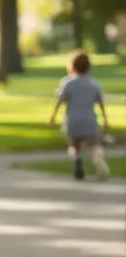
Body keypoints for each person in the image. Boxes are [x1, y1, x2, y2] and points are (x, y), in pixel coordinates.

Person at [48, 49, 112, 180]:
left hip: (73, 121)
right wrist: (105, 121)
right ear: (89, 67)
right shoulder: (94, 84)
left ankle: (77, 159)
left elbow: (60, 101)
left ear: (71, 66)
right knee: (94, 145)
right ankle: (98, 158)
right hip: (90, 121)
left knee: (75, 144)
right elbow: (101, 104)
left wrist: (53, 117)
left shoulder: (67, 83)